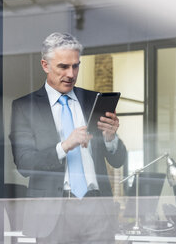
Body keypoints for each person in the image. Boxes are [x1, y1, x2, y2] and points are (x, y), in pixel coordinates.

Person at [9, 32, 127, 243]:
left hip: (97, 209)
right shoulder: (25, 108)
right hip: (54, 213)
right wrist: (64, 146)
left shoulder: (92, 99)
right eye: (63, 67)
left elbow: (118, 160)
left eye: (76, 66)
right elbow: (24, 164)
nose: (71, 74)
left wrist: (111, 139)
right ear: (45, 65)